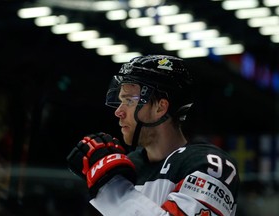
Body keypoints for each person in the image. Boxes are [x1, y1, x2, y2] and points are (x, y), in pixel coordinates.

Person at [67, 54, 240, 216]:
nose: (118, 111)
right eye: (121, 101)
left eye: (128, 100)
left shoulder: (213, 166)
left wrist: (111, 187)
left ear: (160, 107)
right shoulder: (130, 164)